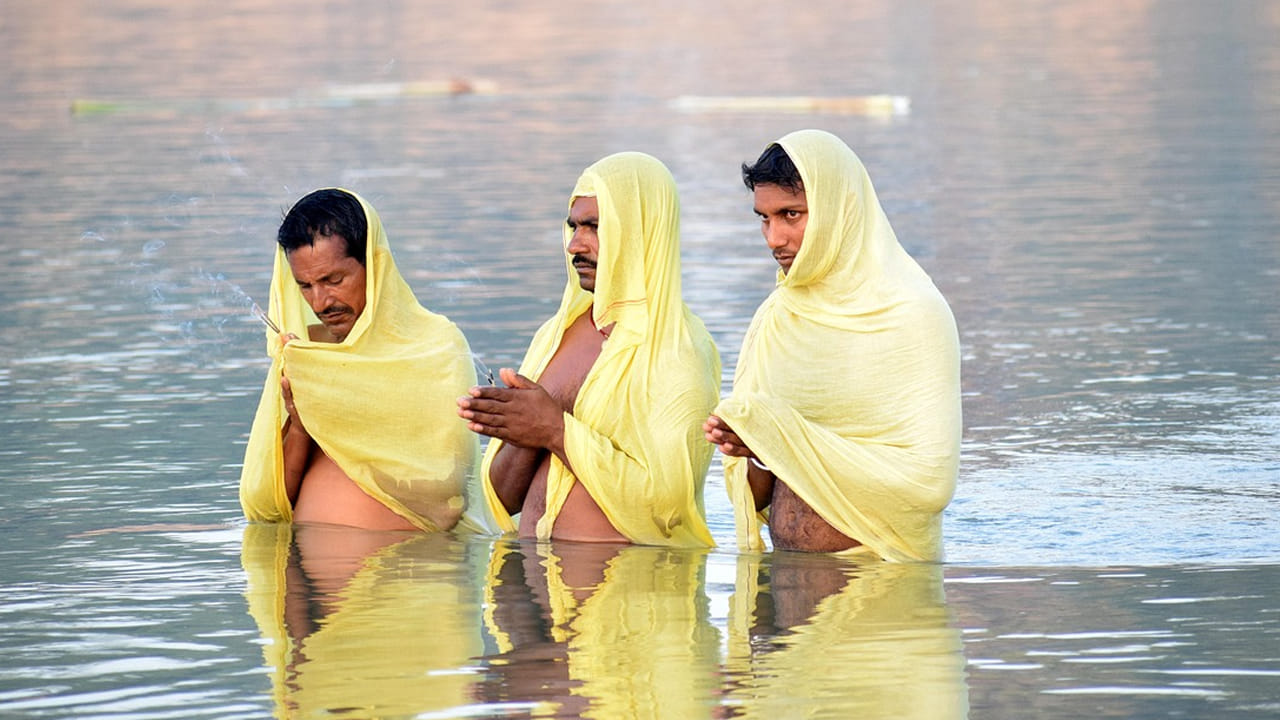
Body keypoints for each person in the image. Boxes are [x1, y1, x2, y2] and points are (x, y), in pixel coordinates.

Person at [704, 130, 961, 561]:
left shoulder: (913, 312)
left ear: (838, 210)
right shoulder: (778, 316)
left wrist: (782, 435)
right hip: (787, 595)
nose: (773, 238)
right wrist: (758, 449)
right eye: (763, 218)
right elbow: (755, 495)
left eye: (791, 214)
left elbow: (929, 484)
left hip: (888, 591)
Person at [456, 152, 720, 547]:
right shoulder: (555, 335)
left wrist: (557, 431)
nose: (574, 245)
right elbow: (498, 500)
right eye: (573, 226)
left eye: (594, 227)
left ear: (640, 230)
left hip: (632, 593)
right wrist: (521, 430)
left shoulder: (679, 351)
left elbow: (667, 507)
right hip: (530, 586)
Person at [240, 188, 481, 532]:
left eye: (333, 280)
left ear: (374, 264)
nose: (321, 302)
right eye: (305, 286)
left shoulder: (434, 347)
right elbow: (267, 504)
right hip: (303, 576)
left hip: (415, 573)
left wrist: (344, 407)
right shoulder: (305, 352)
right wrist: (301, 419)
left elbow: (447, 494)